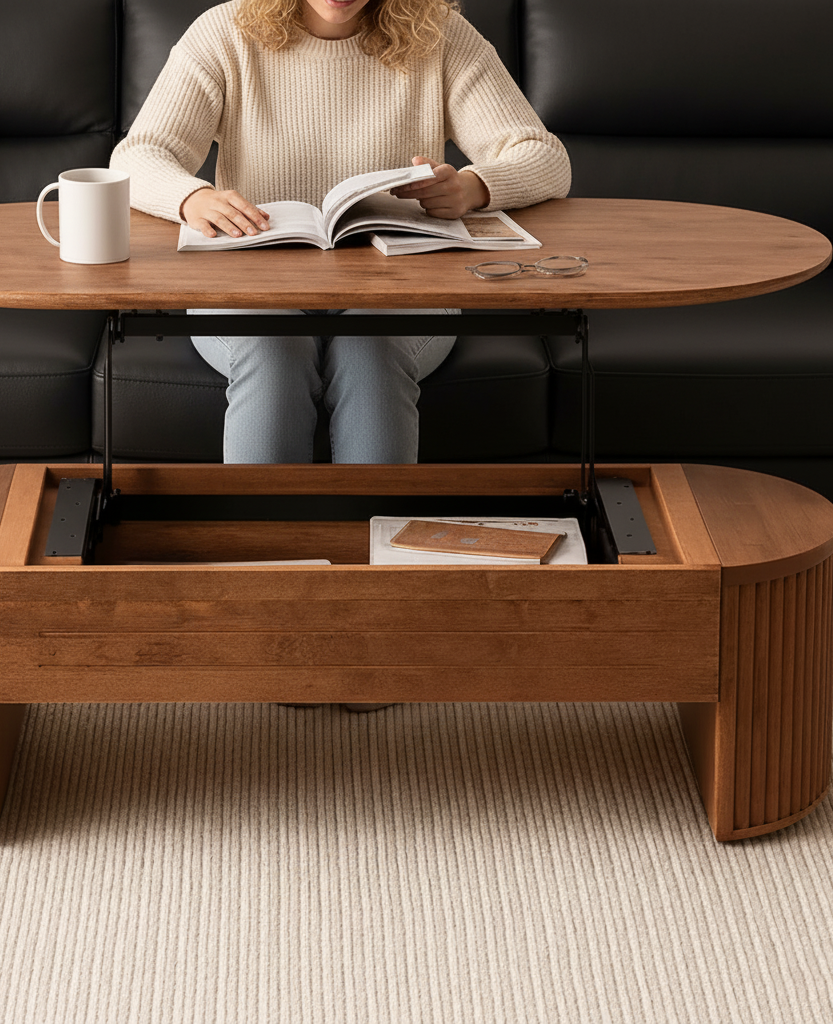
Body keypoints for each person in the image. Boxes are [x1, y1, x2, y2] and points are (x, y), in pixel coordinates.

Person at [111, 0, 570, 712]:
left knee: (368, 341)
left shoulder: (438, 32)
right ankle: (264, 621)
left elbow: (541, 155)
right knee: (275, 346)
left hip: (396, 288)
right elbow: (137, 156)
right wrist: (191, 194)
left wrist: (473, 185)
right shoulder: (226, 30)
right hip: (251, 283)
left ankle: (379, 628)